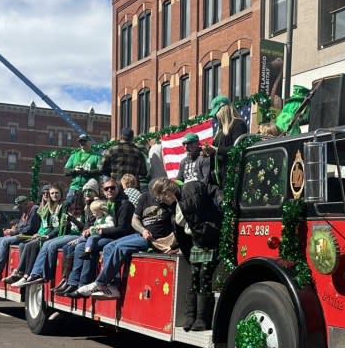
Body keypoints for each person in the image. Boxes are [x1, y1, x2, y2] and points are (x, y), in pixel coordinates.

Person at [77, 178, 179, 300]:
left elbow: (178, 226)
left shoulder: (172, 202)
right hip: (142, 234)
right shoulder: (145, 197)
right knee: (109, 246)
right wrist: (142, 230)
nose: (160, 199)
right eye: (157, 195)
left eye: (162, 196)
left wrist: (173, 246)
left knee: (120, 247)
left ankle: (100, 283)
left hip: (157, 240)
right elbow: (134, 220)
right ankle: (113, 286)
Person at [58, 178, 134, 296]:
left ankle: (82, 284)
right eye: (106, 188)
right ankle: (73, 282)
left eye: (112, 188)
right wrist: (87, 232)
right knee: (79, 246)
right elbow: (93, 223)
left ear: (118, 189)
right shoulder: (105, 204)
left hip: (118, 238)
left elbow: (122, 229)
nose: (109, 190)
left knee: (86, 247)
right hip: (105, 235)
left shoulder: (124, 204)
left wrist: (100, 231)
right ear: (103, 191)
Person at [176, 180, 223, 331]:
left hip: (209, 238)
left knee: (203, 278)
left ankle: (201, 318)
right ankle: (192, 316)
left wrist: (222, 202)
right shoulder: (183, 197)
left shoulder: (199, 188)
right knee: (196, 277)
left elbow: (216, 193)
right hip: (198, 239)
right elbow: (180, 225)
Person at [16, 189, 86, 287]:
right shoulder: (52, 208)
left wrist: (71, 221)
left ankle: (46, 275)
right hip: (64, 234)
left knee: (51, 244)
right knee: (35, 244)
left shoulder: (83, 210)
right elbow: (47, 225)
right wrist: (42, 233)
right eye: (51, 193)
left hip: (76, 235)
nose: (73, 204)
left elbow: (84, 227)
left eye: (75, 200)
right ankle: (32, 274)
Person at [2, 185, 63, 284]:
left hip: (53, 235)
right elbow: (43, 225)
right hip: (42, 233)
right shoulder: (47, 207)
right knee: (23, 245)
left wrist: (46, 235)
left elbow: (53, 227)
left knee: (31, 245)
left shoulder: (56, 207)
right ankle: (21, 272)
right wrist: (39, 233)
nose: (47, 195)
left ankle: (26, 274)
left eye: (52, 193)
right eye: (45, 193)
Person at [0, 196, 41, 282]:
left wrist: (15, 231)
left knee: (5, 241)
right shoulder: (25, 211)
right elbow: (20, 225)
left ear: (26, 204)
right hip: (22, 234)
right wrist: (16, 230)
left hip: (29, 236)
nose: (19, 209)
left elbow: (31, 228)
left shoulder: (34, 209)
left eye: (20, 206)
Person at [206, 95, 248, 186]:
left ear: (223, 110)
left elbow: (237, 149)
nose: (215, 118)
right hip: (219, 178)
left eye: (216, 113)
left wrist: (216, 150)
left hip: (232, 176)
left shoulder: (238, 124)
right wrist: (208, 152)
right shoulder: (219, 131)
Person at [64, 134, 102, 202]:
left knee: (90, 209)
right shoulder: (74, 155)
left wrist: (86, 172)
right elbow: (66, 171)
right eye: (80, 141)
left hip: (90, 189)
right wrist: (74, 170)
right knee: (67, 205)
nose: (82, 143)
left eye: (84, 141)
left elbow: (101, 171)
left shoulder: (96, 156)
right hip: (74, 187)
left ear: (90, 142)